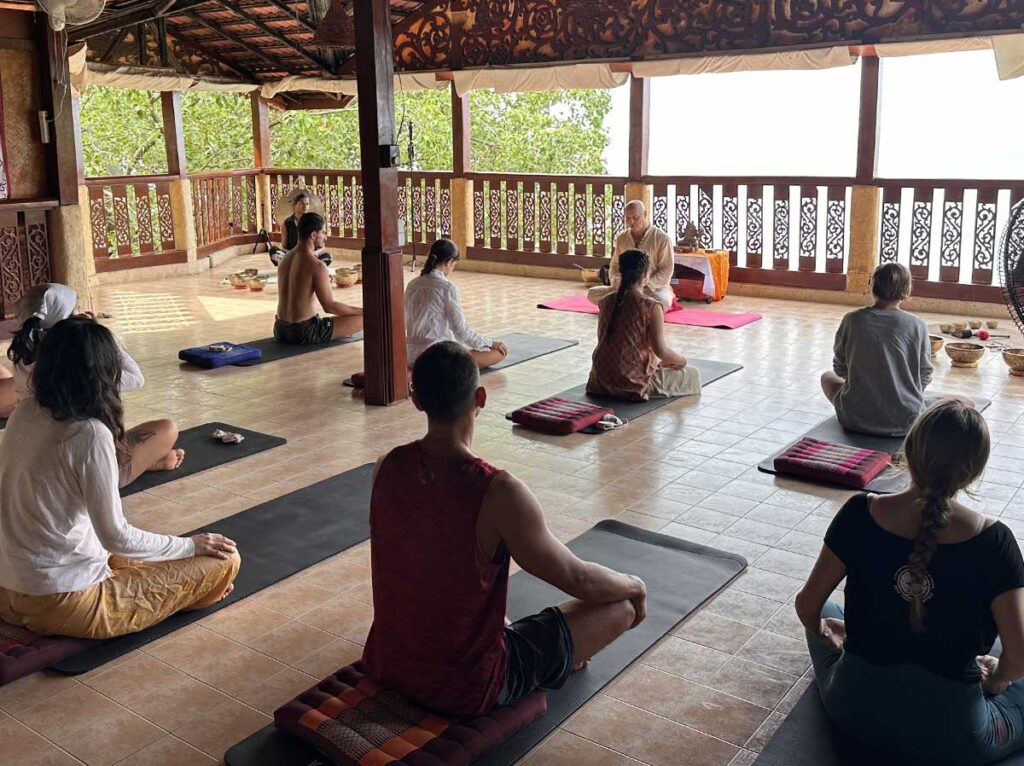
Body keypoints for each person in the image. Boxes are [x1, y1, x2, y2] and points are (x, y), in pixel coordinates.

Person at [362, 341, 647, 717]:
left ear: (417, 400)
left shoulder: (387, 466)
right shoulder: (497, 492)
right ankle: (555, 655)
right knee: (621, 606)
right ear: (480, 398)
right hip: (468, 686)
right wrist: (634, 585)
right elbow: (578, 579)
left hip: (387, 662)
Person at [795, 400, 1024, 766]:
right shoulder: (995, 542)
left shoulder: (859, 513)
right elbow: (1018, 658)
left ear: (909, 451)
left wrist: (829, 635)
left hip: (855, 712)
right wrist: (995, 682)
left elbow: (807, 606)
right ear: (974, 470)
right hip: (957, 739)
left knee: (822, 609)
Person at [0, 317, 240, 640]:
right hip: (60, 601)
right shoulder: (88, 433)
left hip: (8, 589)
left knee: (150, 556)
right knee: (224, 559)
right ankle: (197, 593)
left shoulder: (24, 412)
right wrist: (190, 545)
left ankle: (188, 587)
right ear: (102, 373)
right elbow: (116, 536)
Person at [4, 283, 184, 487]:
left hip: (31, 461)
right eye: (77, 310)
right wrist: (99, 336)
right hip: (84, 470)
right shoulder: (79, 366)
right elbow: (136, 378)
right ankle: (140, 464)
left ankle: (141, 460)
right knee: (167, 429)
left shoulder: (22, 354)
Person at [821, 262, 933, 437]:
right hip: (906, 421)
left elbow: (840, 368)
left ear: (872, 286)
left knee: (827, 377)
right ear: (907, 289)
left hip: (855, 419)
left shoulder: (852, 320)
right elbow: (924, 373)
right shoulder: (917, 325)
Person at [587, 249, 700, 401]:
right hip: (632, 383)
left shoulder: (605, 301)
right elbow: (661, 351)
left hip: (599, 381)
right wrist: (682, 361)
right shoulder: (651, 306)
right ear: (646, 275)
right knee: (692, 374)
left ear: (621, 273)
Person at [404, 239, 507, 368]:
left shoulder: (412, 285)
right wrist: (490, 343)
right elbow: (461, 332)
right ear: (449, 262)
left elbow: (403, 323)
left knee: (463, 349)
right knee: (499, 352)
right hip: (439, 357)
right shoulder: (447, 288)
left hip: (412, 357)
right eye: (454, 264)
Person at [274, 212, 362, 345]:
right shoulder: (316, 266)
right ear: (313, 235)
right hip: (303, 332)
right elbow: (329, 307)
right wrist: (363, 311)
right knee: (364, 318)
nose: (325, 237)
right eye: (323, 232)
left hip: (279, 329)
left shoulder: (285, 259)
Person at [587, 200, 674, 310]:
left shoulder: (662, 238)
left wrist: (645, 284)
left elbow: (667, 268)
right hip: (626, 287)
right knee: (592, 293)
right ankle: (637, 306)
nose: (631, 222)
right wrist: (616, 280)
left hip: (652, 289)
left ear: (645, 214)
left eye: (635, 218)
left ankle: (626, 305)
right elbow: (614, 265)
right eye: (628, 218)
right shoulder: (622, 238)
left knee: (663, 301)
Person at [268, 191, 332, 268]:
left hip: (310, 256)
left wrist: (314, 253)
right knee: (273, 251)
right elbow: (284, 247)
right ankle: (296, 266)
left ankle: (303, 267)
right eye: (301, 203)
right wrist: (293, 254)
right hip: (293, 256)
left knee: (328, 257)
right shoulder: (287, 223)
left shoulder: (312, 221)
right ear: (295, 205)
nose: (305, 206)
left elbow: (322, 246)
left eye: (307, 204)